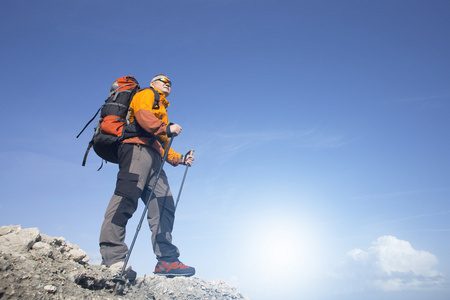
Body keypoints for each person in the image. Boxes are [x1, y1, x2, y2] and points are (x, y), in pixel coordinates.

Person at [99, 74, 195, 279]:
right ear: (153, 83)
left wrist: (180, 158)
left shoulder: (161, 106)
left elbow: (161, 141)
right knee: (126, 198)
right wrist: (165, 128)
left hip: (154, 157)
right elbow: (143, 117)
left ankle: (167, 261)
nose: (167, 83)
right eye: (163, 80)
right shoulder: (146, 93)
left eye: (170, 82)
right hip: (135, 149)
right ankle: (113, 257)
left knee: (164, 203)